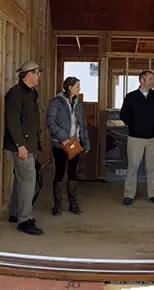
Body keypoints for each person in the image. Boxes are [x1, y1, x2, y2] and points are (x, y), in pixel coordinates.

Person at [5, 61, 44, 236]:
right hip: (22, 146)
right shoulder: (15, 93)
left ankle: (15, 213)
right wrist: (20, 145)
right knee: (29, 181)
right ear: (29, 74)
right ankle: (25, 220)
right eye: (38, 73)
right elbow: (12, 120)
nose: (40, 76)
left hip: (30, 145)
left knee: (21, 180)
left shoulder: (31, 93)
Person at [46, 76, 91, 216]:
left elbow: (82, 124)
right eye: (77, 86)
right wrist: (63, 137)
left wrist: (85, 143)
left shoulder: (78, 103)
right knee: (60, 173)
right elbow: (50, 122)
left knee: (73, 173)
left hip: (75, 145)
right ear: (69, 87)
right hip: (60, 145)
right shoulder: (56, 102)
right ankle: (57, 206)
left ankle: (73, 204)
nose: (79, 88)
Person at [120, 71, 154, 205]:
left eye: (152, 79)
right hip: (135, 138)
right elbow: (124, 115)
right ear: (142, 81)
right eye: (150, 79)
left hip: (153, 139)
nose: (152, 81)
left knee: (153, 167)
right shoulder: (131, 97)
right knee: (133, 166)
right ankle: (129, 195)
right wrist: (134, 126)